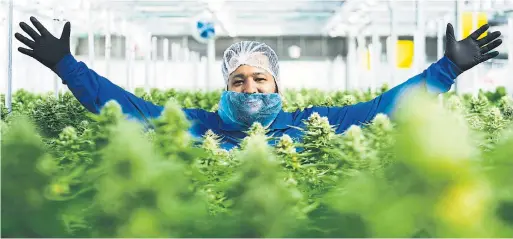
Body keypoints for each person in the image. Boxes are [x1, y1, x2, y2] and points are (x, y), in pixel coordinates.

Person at [15, 17, 503, 150]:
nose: (251, 89)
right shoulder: (189, 126)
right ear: (225, 89)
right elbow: (118, 105)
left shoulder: (317, 125)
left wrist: (446, 71)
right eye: (239, 80)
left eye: (260, 78)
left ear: (278, 84)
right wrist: (66, 66)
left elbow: (388, 108)